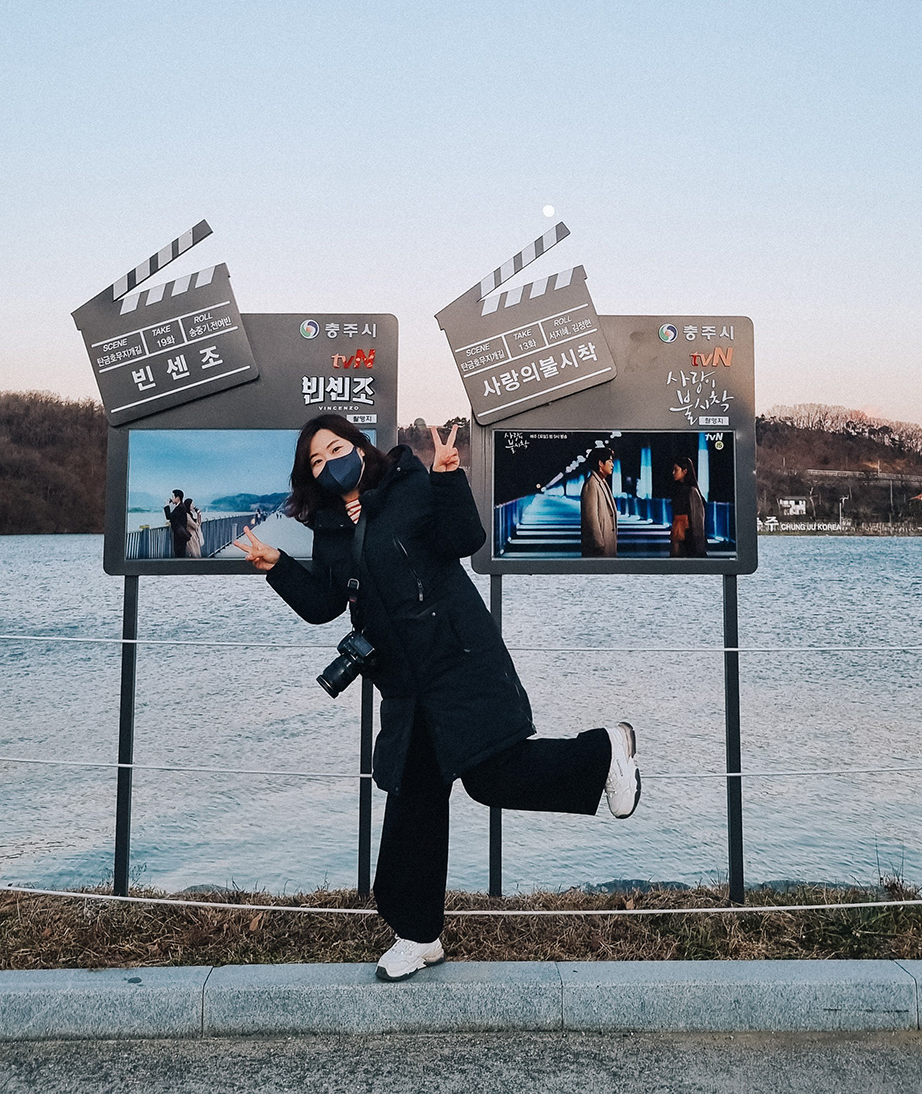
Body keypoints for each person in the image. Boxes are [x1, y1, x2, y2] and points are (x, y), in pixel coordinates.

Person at [235, 414, 641, 983]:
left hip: (459, 662)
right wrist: (277, 567)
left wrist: (448, 477)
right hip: (403, 684)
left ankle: (605, 750)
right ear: (311, 478)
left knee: (490, 776)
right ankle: (418, 935)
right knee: (413, 799)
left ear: (360, 446)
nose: (330, 463)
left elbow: (463, 540)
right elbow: (326, 603)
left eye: (336, 448)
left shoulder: (409, 487)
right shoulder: (329, 528)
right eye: (317, 462)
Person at [580, 444, 618, 557]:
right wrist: (598, 545)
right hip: (599, 549)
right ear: (600, 463)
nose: (612, 465)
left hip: (607, 544)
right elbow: (591, 518)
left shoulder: (601, 482)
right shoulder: (591, 485)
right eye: (610, 461)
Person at [669, 458, 707, 557]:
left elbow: (697, 518)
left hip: (688, 534)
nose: (673, 473)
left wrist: (699, 541)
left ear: (685, 471)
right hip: (679, 530)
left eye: (676, 470)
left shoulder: (691, 491)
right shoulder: (680, 490)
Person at [163, 490, 190, 559]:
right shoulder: (181, 507)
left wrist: (166, 506)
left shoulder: (180, 508)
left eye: (173, 496)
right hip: (180, 535)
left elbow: (169, 516)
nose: (172, 498)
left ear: (177, 498)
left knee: (179, 554)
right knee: (180, 554)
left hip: (179, 536)